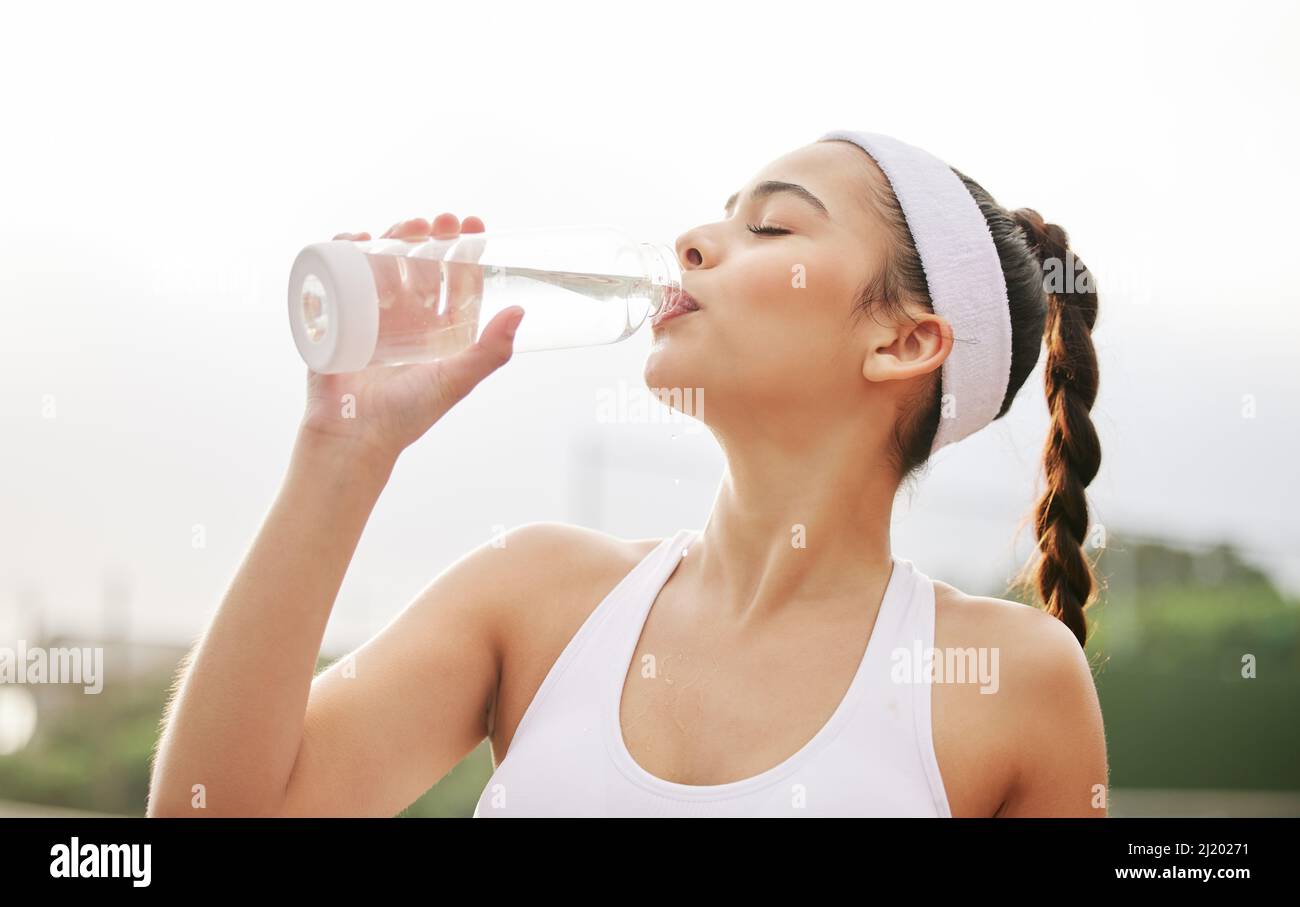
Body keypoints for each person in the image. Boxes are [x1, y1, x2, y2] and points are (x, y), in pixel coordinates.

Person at [147, 130, 1108, 818]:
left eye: (772, 229)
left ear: (904, 341)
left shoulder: (1012, 686)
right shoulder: (535, 596)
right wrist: (342, 451)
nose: (694, 239)